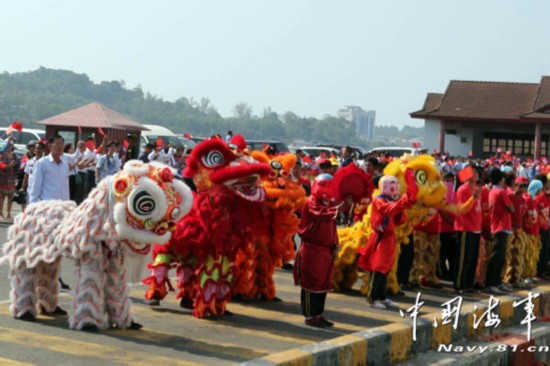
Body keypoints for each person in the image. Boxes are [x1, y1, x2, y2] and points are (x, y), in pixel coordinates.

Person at [358, 170, 417, 309]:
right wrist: (403, 200)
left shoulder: (390, 200)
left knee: (385, 267)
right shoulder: (379, 200)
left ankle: (381, 296)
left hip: (389, 237)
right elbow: (388, 210)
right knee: (377, 267)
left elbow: (399, 218)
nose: (395, 186)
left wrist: (408, 195)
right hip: (381, 237)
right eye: (392, 184)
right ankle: (372, 298)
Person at [28, 134, 72, 299]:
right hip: (47, 212)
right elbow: (35, 189)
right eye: (57, 144)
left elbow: (65, 188)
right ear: (50, 146)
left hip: (62, 212)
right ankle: (40, 277)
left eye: (62, 144)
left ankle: (55, 276)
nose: (60, 147)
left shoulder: (64, 163)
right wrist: (32, 212)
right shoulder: (42, 164)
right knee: (46, 247)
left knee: (58, 247)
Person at [293, 174, 339, 327]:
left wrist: (335, 245)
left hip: (326, 251)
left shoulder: (329, 204)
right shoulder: (312, 202)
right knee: (311, 283)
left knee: (323, 284)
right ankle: (310, 315)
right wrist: (338, 206)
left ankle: (319, 314)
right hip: (312, 249)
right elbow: (320, 215)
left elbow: (332, 228)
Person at [485, 168, 514, 294]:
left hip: (498, 226)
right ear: (501, 179)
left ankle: (496, 281)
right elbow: (511, 208)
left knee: (499, 257)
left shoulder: (492, 191)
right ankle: (491, 283)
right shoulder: (501, 192)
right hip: (501, 227)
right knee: (497, 257)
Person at [453, 167, 482, 294]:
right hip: (465, 228)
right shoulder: (463, 190)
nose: (475, 175)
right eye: (473, 173)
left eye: (476, 173)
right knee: (463, 259)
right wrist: (473, 198)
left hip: (476, 229)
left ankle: (469, 284)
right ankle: (460, 285)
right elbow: (462, 210)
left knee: (472, 259)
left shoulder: (475, 189)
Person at [0, 143, 19, 221]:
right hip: (3, 179)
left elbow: (17, 165)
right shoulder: (2, 155)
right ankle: (1, 214)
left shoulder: (14, 155)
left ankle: (9, 214)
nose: (9, 146)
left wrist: (16, 165)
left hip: (11, 179)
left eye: (11, 145)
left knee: (10, 198)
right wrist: (10, 165)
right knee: (2, 198)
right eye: (8, 145)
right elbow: (1, 166)